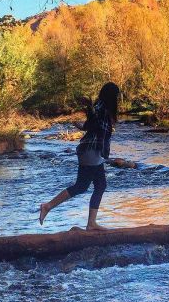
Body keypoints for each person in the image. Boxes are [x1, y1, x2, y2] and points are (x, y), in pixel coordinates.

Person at [39, 82, 120, 230]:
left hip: (92, 152)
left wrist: (83, 123)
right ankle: (48, 206)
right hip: (91, 151)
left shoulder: (100, 107)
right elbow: (97, 125)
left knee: (99, 185)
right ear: (111, 96)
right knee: (82, 186)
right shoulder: (102, 108)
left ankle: (91, 223)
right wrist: (90, 110)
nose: (117, 99)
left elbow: (92, 125)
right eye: (116, 96)